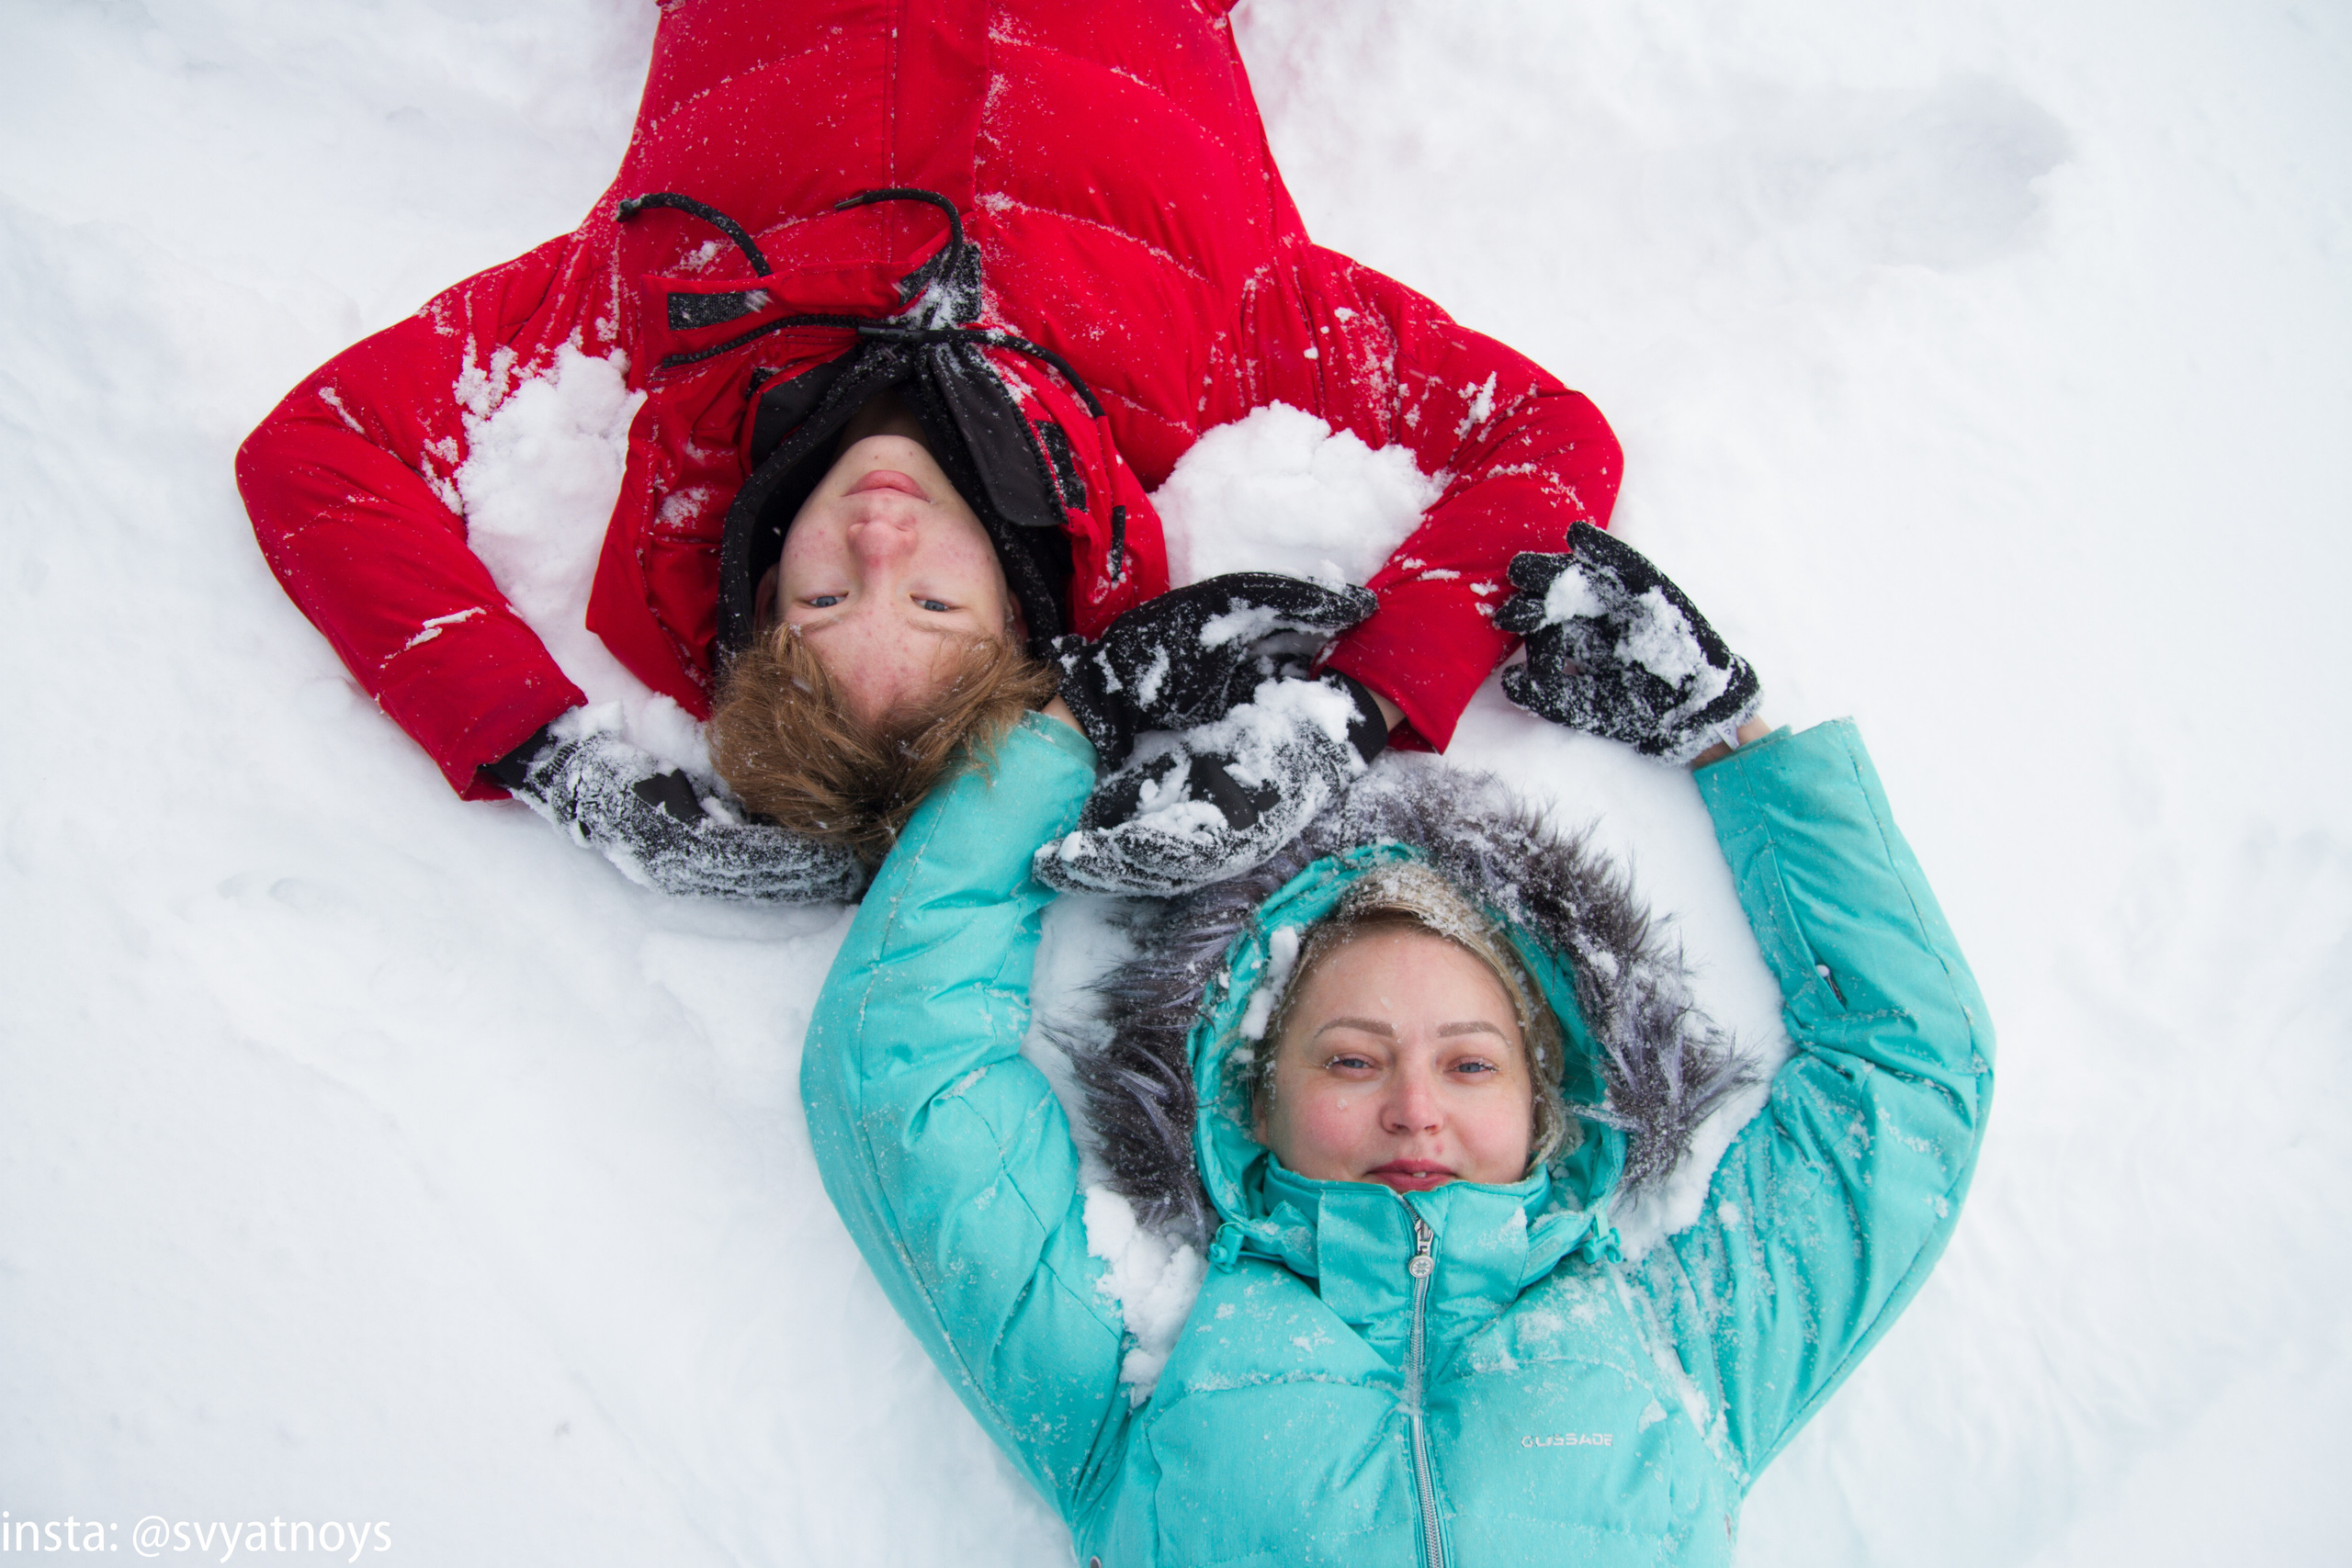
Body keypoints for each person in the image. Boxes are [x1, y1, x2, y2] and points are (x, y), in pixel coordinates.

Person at [232, 0, 1657, 903]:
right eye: (931, 605)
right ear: (1027, 599)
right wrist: (1344, 718)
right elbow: (1546, 444)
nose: (877, 542)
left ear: (755, 582)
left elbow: (319, 456)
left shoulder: (647, 300)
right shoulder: (1229, 339)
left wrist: (552, 758)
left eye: (822, 601)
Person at [801, 536, 1990, 1563]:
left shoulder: (1686, 1366)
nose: (1416, 1110)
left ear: (1547, 1109)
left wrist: (1735, 743)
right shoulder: (1146, 1385)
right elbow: (897, 1076)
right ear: (1252, 1108)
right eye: (1352, 1062)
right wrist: (1073, 729)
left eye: (1471, 1064)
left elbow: (1912, 1078)